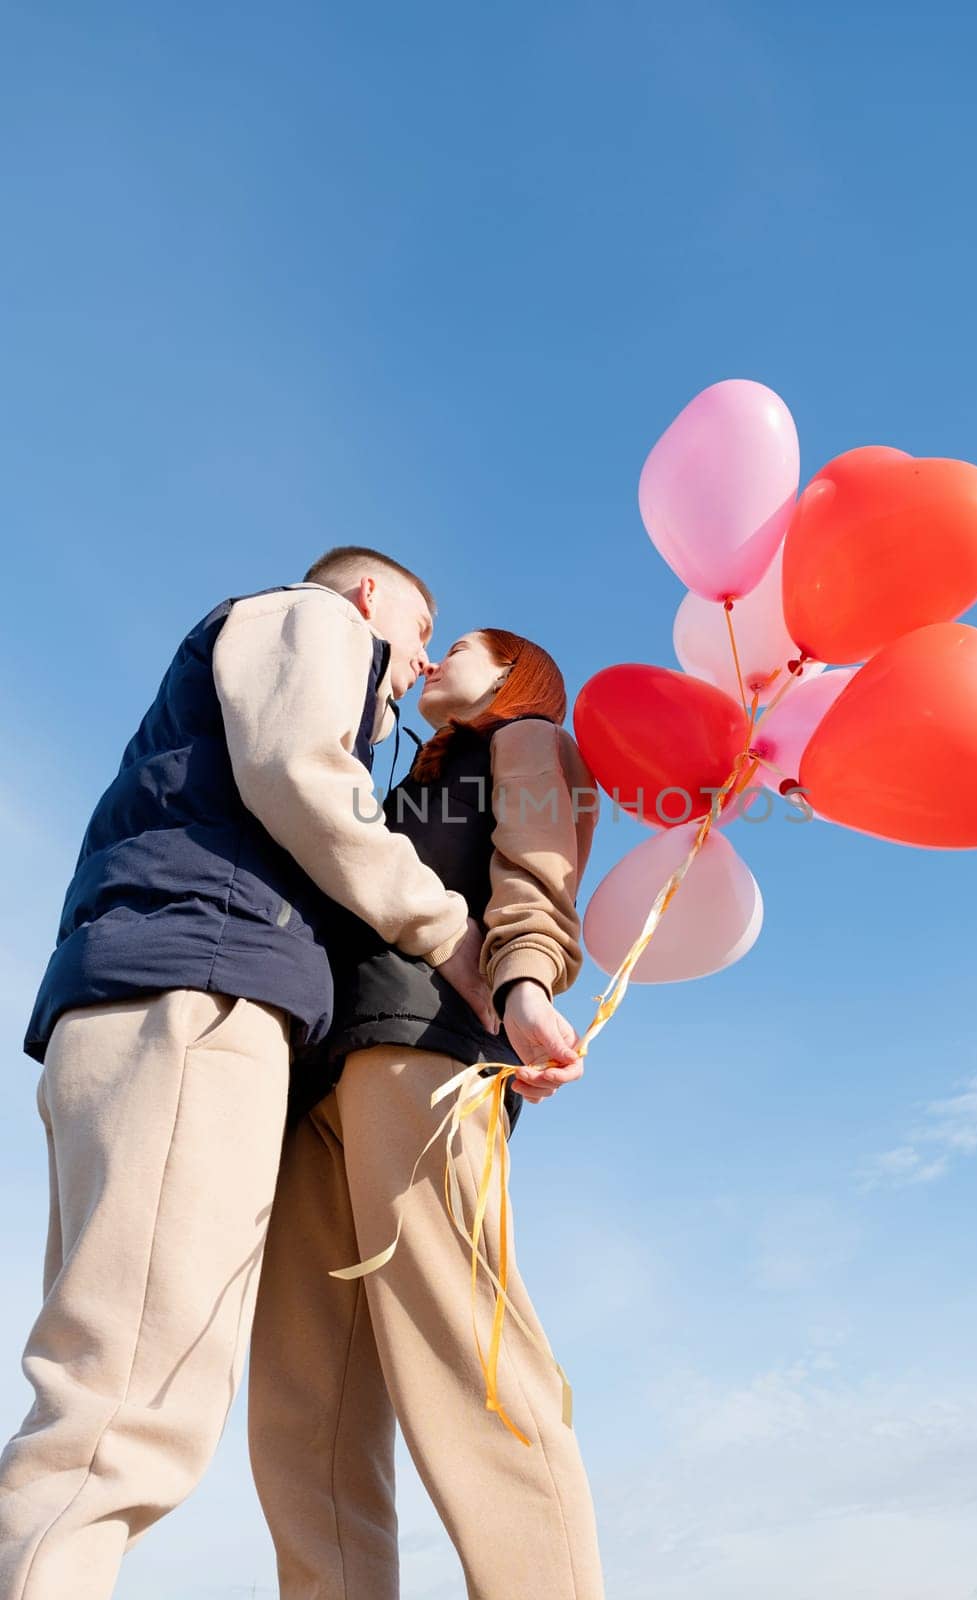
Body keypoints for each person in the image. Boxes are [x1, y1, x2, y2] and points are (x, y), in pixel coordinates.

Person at [0, 547, 529, 1600]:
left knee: (113, 1388)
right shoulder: (318, 619)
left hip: (155, 997)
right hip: (198, 997)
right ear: (372, 598)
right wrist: (457, 943)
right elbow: (301, 773)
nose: (414, 664)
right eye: (420, 635)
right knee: (124, 1414)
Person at [247, 626, 607, 1600]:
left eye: (464, 646)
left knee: (465, 1361)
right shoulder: (400, 787)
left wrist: (528, 984)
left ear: (518, 675)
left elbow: (538, 866)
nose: (436, 656)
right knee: (302, 1402)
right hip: (317, 1075)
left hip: (429, 1051)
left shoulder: (529, 742)